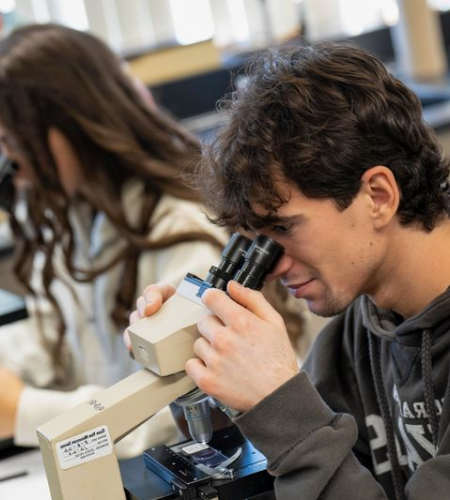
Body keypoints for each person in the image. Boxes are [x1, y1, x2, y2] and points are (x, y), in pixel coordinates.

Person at [127, 42, 450, 498]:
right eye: (261, 239)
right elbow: (289, 465)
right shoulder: (361, 331)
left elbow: (303, 443)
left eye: (284, 227)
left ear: (377, 195)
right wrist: (200, 366)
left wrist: (277, 403)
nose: (274, 267)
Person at [0, 24, 310, 457]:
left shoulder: (181, 234)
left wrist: (24, 411)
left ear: (70, 127)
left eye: (14, 141)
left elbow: (183, 421)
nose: (12, 164)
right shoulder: (70, 215)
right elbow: (58, 335)